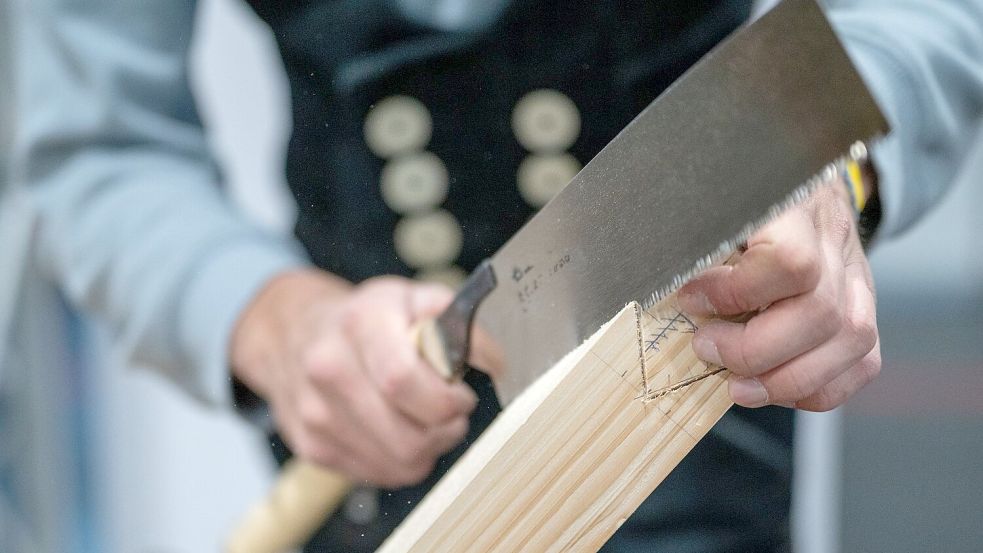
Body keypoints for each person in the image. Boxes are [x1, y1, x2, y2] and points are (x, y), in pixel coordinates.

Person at [2, 0, 981, 551]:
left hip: (702, 456)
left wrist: (826, 159)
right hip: (371, 470)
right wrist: (273, 321)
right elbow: (100, 146)